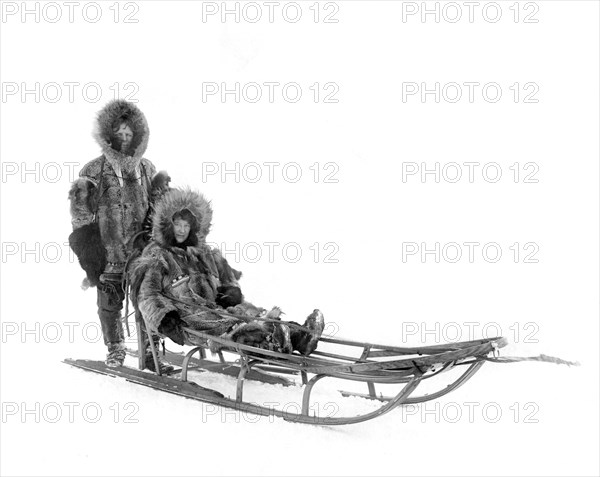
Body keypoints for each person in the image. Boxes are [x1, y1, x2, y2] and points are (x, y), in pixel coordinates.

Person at [128, 187, 325, 355]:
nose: (181, 230)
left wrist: (230, 292)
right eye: (177, 224)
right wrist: (166, 319)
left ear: (193, 227)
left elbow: (227, 280)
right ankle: (267, 342)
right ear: (168, 226)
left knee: (250, 313)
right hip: (189, 317)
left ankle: (299, 336)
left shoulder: (205, 253)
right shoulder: (157, 255)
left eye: (186, 225)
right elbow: (147, 295)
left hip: (217, 308)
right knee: (232, 326)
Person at [68, 99, 171, 370]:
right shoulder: (92, 171)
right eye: (119, 134)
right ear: (109, 136)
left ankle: (151, 353)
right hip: (109, 251)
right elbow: (81, 218)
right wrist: (93, 257)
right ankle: (115, 348)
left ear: (137, 136)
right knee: (109, 303)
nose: (124, 139)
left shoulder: (146, 168)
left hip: (142, 253)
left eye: (129, 134)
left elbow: (157, 209)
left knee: (149, 300)